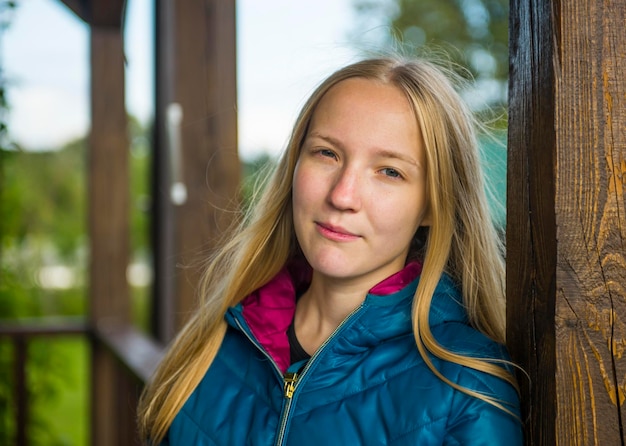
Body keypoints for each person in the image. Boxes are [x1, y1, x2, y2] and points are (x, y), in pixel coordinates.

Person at [138, 56, 523, 445]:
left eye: (389, 171)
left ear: (431, 206)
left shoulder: (468, 391)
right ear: (294, 165)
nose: (342, 195)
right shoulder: (215, 342)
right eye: (327, 154)